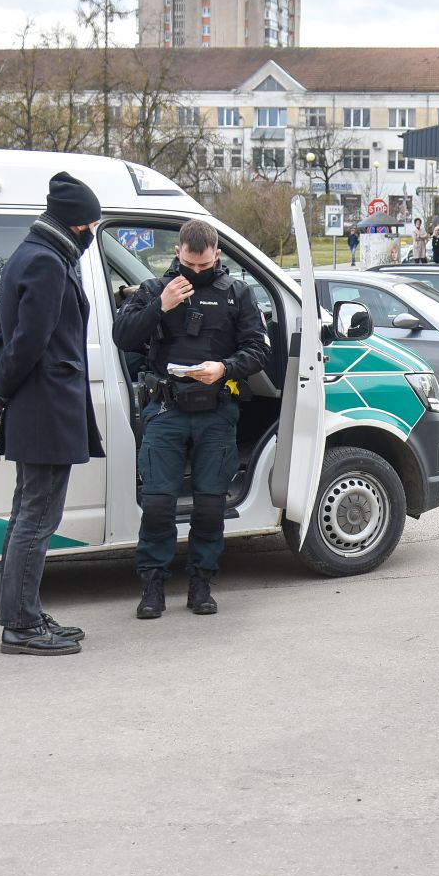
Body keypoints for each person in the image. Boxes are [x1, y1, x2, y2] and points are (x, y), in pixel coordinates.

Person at [113, 219, 271, 619]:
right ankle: (152, 586)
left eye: (204, 265)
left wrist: (224, 368)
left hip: (216, 410)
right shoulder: (155, 289)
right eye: (189, 264)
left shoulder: (237, 293)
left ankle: (201, 583)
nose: (196, 271)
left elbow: (258, 350)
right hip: (166, 409)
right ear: (178, 252)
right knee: (158, 504)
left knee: (210, 506)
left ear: (216, 254)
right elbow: (122, 336)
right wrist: (161, 305)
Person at [0, 171, 106, 656]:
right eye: (91, 224)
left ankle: (23, 613)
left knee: (26, 516)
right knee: (36, 519)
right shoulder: (47, 263)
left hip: (37, 407)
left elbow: (6, 336)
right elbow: (28, 342)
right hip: (46, 409)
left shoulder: (30, 254)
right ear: (76, 223)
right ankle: (21, 626)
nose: (92, 232)